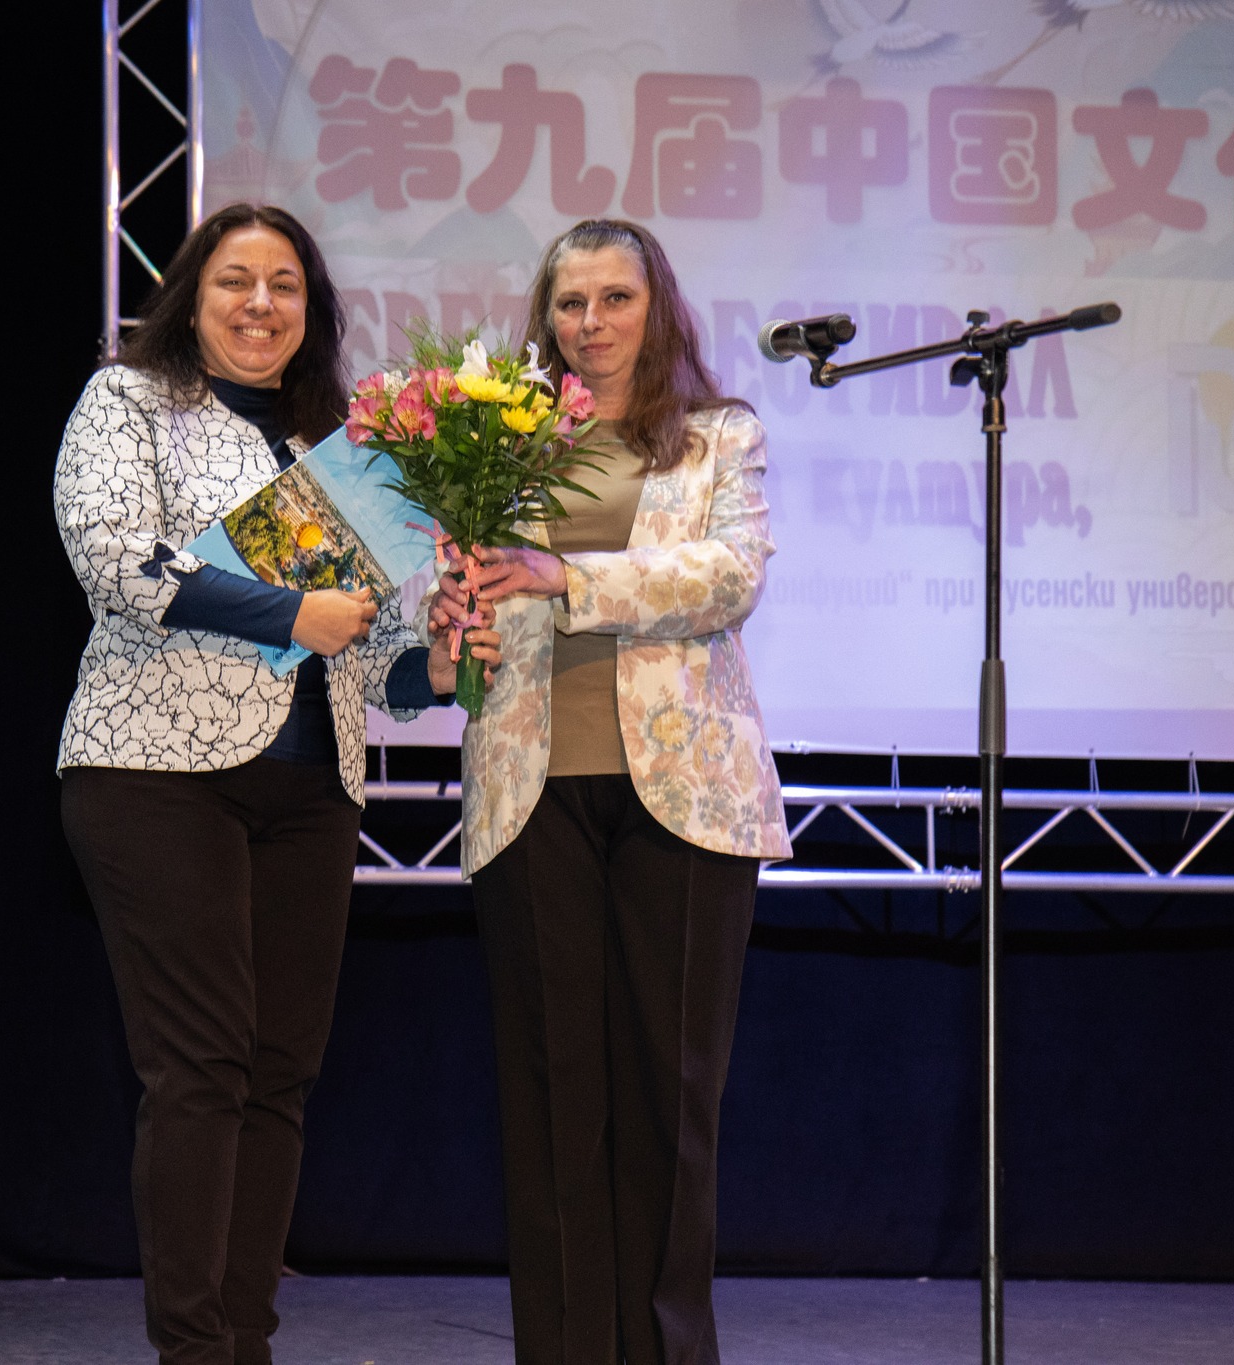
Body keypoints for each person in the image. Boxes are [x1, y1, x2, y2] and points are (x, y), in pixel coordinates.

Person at [53, 202, 495, 1365]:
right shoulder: (127, 401)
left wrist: (436, 663)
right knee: (200, 1064)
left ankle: (242, 1339)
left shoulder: (339, 448)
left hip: (311, 790)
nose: (260, 304)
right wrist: (289, 611)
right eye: (234, 281)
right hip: (155, 773)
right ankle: (195, 1349)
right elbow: (114, 558)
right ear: (191, 298)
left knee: (277, 1075)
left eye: (284, 284)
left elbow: (365, 655)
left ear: (312, 309)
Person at [431, 218, 791, 1365]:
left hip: (684, 796)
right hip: (525, 789)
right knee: (550, 1099)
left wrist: (562, 575)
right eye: (569, 302)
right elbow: (447, 621)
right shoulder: (496, 446)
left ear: (656, 307)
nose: (590, 322)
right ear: (545, 318)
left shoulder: (716, 434)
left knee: (667, 1096)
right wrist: (444, 627)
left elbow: (727, 576)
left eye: (613, 298)